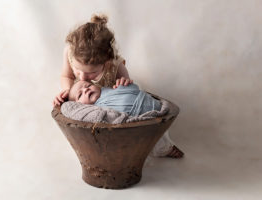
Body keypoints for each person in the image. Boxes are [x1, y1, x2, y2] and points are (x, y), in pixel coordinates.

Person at [53, 14, 183, 158]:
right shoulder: (70, 52)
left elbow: (127, 93)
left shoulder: (115, 65)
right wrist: (67, 90)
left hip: (114, 107)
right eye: (78, 70)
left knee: (140, 123)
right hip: (87, 105)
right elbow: (67, 76)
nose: (83, 78)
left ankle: (162, 147)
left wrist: (123, 83)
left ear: (107, 63)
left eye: (92, 73)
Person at [68, 80, 184, 158]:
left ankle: (165, 145)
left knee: (159, 132)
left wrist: (125, 85)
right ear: (79, 105)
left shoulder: (108, 90)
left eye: (88, 86)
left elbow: (132, 88)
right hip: (136, 120)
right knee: (154, 140)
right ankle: (167, 149)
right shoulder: (93, 111)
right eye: (80, 94)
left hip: (152, 106)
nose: (86, 90)